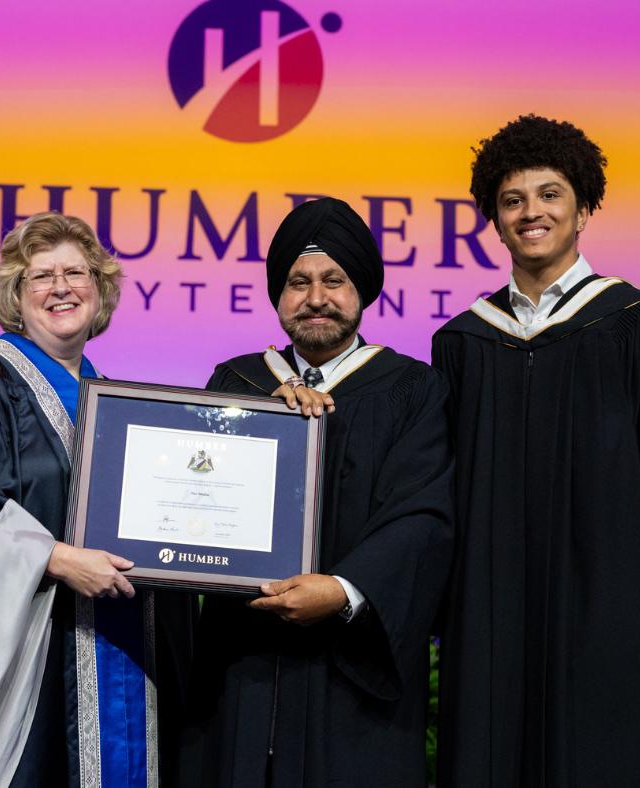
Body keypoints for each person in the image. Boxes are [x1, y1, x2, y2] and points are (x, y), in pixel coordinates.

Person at [431, 115, 640, 787]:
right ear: (496, 222)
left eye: (550, 194)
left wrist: (629, 594)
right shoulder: (462, 344)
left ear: (583, 210)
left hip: (605, 608)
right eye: (512, 200)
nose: (532, 212)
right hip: (490, 614)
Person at [0, 212, 193, 787]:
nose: (61, 288)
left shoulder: (114, 402)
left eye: (76, 273)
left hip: (111, 639)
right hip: (30, 651)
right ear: (16, 296)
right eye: (41, 276)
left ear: (100, 289)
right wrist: (58, 559)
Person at [180, 197, 453, 786]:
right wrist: (258, 420)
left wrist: (344, 589)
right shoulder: (238, 382)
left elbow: (423, 516)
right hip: (241, 669)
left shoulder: (412, 390)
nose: (316, 297)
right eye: (298, 282)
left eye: (334, 280)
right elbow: (193, 496)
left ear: (362, 290)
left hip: (349, 681)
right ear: (279, 295)